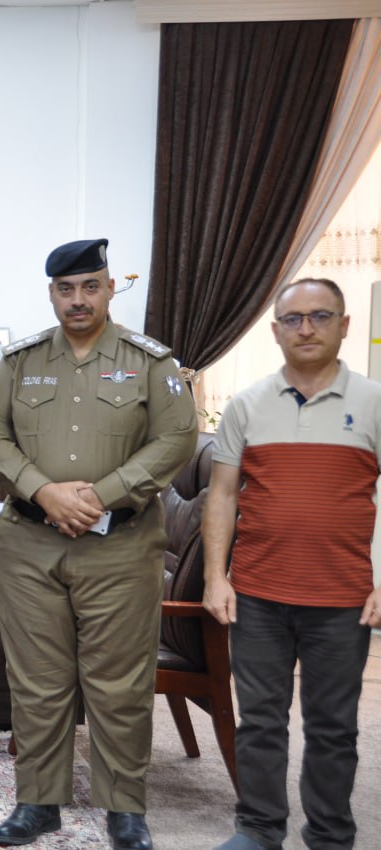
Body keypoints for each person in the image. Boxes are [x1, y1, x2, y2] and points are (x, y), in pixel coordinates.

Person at [0, 238, 197, 849]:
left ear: (108, 289)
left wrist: (102, 494)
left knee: (119, 682)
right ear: (51, 293)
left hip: (120, 546)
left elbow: (177, 436)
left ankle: (125, 808)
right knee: (37, 681)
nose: (78, 299)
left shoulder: (150, 360)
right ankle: (38, 802)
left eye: (90, 287)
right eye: (66, 289)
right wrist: (43, 491)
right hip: (29, 543)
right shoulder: (20, 360)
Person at [202, 278, 381, 850]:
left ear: (344, 325)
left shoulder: (374, 404)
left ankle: (330, 835)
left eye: (320, 316)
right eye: (294, 319)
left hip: (342, 597)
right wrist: (214, 577)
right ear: (276, 329)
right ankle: (257, 829)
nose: (306, 328)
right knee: (260, 722)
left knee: (333, 728)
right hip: (257, 593)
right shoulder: (247, 404)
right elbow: (223, 496)